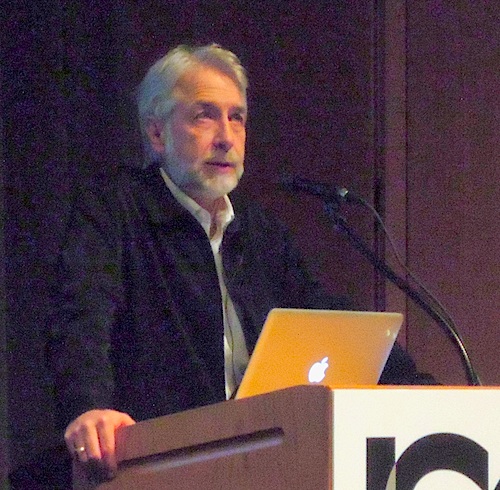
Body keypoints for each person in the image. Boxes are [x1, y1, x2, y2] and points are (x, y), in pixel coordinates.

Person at [44, 43, 433, 486]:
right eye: (204, 116)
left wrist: (424, 392)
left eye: (237, 118)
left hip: (262, 460)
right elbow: (81, 319)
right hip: (163, 461)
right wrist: (88, 407)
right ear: (157, 133)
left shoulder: (258, 230)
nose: (226, 137)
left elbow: (328, 318)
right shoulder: (115, 211)